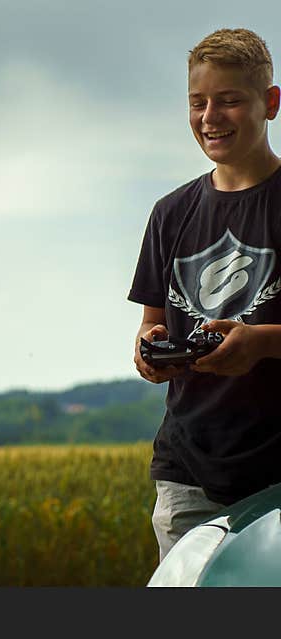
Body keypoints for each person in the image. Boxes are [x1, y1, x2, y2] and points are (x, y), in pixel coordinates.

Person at [129, 27, 281, 563]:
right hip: (186, 472)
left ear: (271, 103)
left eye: (229, 100)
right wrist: (151, 353)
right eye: (199, 102)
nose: (210, 117)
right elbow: (152, 327)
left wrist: (261, 342)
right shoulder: (170, 213)